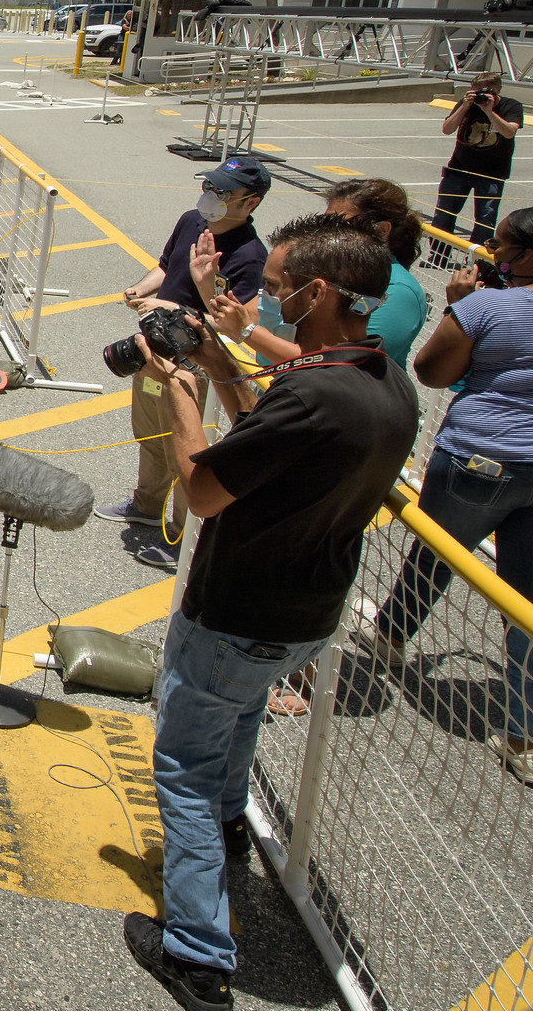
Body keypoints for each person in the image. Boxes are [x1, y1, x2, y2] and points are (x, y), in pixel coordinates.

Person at [124, 213, 417, 1011]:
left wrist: (182, 388)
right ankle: (227, 829)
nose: (268, 299)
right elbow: (275, 436)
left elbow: (206, 488)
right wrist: (223, 364)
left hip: (237, 611)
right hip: (306, 616)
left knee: (181, 765)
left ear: (319, 292)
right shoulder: (381, 377)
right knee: (241, 718)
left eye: (281, 287)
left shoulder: (317, 392)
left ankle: (196, 952)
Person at [361, 206, 533, 787]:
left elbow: (434, 372)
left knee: (435, 554)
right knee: (525, 597)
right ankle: (522, 733)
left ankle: (389, 639)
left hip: (480, 458)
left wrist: (461, 303)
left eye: (499, 247)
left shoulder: (487, 305)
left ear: (524, 258)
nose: (490, 255)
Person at [95, 157, 270, 569]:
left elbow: (233, 324)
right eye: (210, 185)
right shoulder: (191, 220)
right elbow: (164, 267)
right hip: (156, 349)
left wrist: (168, 304)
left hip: (195, 363)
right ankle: (145, 504)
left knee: (186, 448)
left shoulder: (250, 256)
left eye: (223, 192)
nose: (211, 197)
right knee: (150, 432)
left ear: (251, 203)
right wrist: (141, 287)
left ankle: (182, 536)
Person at [210, 178, 429, 369]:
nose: (324, 232)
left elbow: (340, 362)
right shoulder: (324, 269)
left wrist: (247, 332)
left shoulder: (400, 292)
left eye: (339, 224)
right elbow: (245, 315)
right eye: (325, 222)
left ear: (381, 231)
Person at [427, 73, 522, 267]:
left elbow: (509, 132)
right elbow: (447, 128)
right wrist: (465, 105)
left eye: (488, 91)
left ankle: (477, 262)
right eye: (478, 91)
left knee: (484, 221)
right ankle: (438, 257)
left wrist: (489, 111)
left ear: (498, 90)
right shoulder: (466, 104)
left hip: (492, 173)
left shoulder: (511, 106)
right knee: (443, 215)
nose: (483, 95)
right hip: (459, 169)